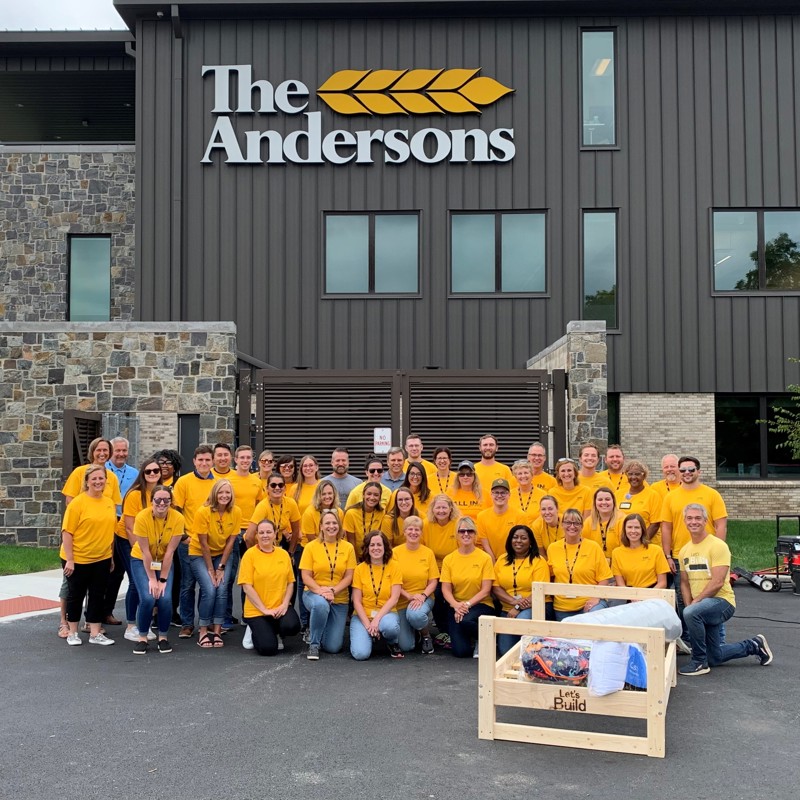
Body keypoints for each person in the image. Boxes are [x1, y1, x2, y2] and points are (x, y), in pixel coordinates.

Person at [678, 504, 772, 676]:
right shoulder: (684, 550)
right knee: (715, 657)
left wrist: (694, 605)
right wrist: (689, 605)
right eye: (689, 518)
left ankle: (699, 661)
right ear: (684, 521)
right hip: (701, 605)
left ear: (705, 521)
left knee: (691, 613)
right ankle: (755, 645)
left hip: (722, 602)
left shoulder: (717, 546)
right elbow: (684, 583)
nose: (693, 521)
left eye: (698, 518)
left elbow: (718, 582)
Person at [58, 436, 122, 636]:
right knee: (71, 588)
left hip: (101, 544)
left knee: (96, 590)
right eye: (98, 450)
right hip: (79, 541)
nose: (102, 453)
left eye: (105, 450)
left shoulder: (111, 476)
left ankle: (91, 623)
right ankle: (65, 623)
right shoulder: (79, 472)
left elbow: (112, 507)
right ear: (92, 452)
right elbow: (70, 502)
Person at [129, 485, 184, 654]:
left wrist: (162, 580)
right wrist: (153, 579)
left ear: (171, 501)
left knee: (165, 598)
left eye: (166, 500)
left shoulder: (178, 518)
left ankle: (163, 637)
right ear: (152, 500)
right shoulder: (142, 517)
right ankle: (142, 637)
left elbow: (170, 552)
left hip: (164, 560)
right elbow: (145, 551)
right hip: (142, 559)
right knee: (148, 597)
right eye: (157, 499)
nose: (162, 503)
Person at [189, 479, 241, 648]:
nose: (224, 496)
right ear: (214, 494)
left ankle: (217, 631)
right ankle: (203, 630)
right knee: (210, 588)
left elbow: (230, 543)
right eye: (220, 492)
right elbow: (203, 544)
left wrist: (221, 568)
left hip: (222, 554)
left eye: (227, 492)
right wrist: (211, 570)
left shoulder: (236, 512)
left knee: (222, 588)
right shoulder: (203, 512)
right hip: (199, 553)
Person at [117, 457, 164, 643]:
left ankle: (143, 622)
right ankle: (130, 626)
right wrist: (143, 552)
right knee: (137, 582)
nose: (152, 474)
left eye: (156, 471)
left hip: (152, 545)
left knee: (150, 583)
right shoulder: (135, 494)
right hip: (129, 541)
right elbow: (129, 527)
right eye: (148, 471)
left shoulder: (163, 493)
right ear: (142, 474)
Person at [299, 509, 356, 660]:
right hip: (314, 594)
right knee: (321, 605)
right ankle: (314, 644)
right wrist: (321, 591)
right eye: (327, 523)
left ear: (339, 525)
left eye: (334, 523)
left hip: (339, 598)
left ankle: (319, 627)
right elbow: (305, 576)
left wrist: (333, 590)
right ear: (321, 526)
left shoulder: (348, 547)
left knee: (333, 647)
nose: (331, 526)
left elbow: (349, 576)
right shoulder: (311, 546)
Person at [239, 518, 301, 656]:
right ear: (256, 535)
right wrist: (264, 609)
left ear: (275, 534)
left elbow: (290, 582)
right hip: (257, 610)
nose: (265, 535)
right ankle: (254, 629)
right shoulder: (249, 555)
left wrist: (285, 605)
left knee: (292, 626)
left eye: (268, 532)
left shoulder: (283, 554)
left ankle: (274, 630)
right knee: (269, 649)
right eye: (261, 532)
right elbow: (247, 587)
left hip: (279, 607)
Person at [172, 445, 216, 638]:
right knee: (188, 584)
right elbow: (176, 511)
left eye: (207, 460)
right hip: (190, 542)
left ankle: (205, 622)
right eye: (201, 460)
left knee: (209, 585)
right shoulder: (184, 482)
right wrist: (183, 537)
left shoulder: (219, 483)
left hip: (212, 543)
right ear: (194, 461)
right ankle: (187, 623)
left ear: (212, 461)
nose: (204, 463)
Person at [440, 517, 495, 658]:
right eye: (462, 531)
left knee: (465, 620)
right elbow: (446, 588)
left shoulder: (484, 558)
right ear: (457, 535)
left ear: (475, 534)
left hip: (480, 604)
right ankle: (472, 636)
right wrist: (456, 605)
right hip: (457, 606)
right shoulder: (449, 559)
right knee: (460, 652)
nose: (466, 534)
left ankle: (483, 638)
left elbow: (486, 590)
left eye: (470, 530)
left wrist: (467, 605)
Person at [225, 445, 266, 632]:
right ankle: (225, 615)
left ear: (252, 460)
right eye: (241, 457)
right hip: (232, 530)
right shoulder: (228, 479)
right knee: (230, 574)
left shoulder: (256, 481)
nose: (245, 461)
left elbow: (260, 506)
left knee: (250, 574)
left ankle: (246, 613)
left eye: (248, 457)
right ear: (236, 459)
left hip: (251, 532)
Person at [546, 507, 613, 621]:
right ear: (562, 525)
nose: (572, 526)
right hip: (562, 607)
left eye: (576, 523)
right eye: (568, 522)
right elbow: (551, 576)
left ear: (582, 526)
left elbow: (604, 578)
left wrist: (595, 597)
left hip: (588, 603)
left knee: (594, 622)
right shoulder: (553, 548)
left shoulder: (593, 547)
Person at [492, 525, 550, 655]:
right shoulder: (502, 560)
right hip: (508, 609)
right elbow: (495, 587)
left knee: (522, 621)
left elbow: (538, 591)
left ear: (530, 542)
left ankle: (531, 659)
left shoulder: (538, 561)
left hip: (534, 607)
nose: (518, 541)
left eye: (523, 538)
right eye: (515, 537)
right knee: (505, 650)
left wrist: (518, 607)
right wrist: (513, 602)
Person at [350, 531, 404, 660]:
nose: (376, 548)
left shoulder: (394, 566)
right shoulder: (359, 569)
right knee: (360, 654)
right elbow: (356, 601)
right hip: (362, 616)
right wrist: (368, 625)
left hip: (386, 614)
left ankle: (391, 642)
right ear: (367, 548)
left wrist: (376, 620)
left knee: (389, 626)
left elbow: (394, 598)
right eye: (372, 545)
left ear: (385, 547)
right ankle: (372, 635)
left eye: (379, 545)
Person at [393, 515, 439, 654]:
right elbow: (393, 581)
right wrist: (408, 596)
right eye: (410, 529)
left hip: (423, 597)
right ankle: (414, 628)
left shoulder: (427, 552)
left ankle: (425, 635)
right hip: (402, 598)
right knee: (406, 646)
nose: (413, 532)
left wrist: (422, 596)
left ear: (421, 532)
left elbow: (433, 581)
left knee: (415, 615)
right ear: (404, 531)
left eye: (417, 530)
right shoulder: (395, 553)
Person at [611, 513, 670, 589]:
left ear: (642, 530)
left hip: (652, 594)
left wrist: (645, 597)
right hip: (629, 595)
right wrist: (633, 597)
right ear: (624, 530)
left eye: (637, 527)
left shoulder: (656, 550)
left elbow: (662, 583)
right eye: (629, 527)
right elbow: (620, 584)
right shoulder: (616, 553)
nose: (633, 531)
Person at [245, 473, 301, 552]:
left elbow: (296, 531)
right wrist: (256, 554)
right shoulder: (262, 506)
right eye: (273, 485)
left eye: (280, 485)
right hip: (258, 545)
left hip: (277, 545)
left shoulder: (291, 503)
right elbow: (248, 537)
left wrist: (290, 552)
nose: (277, 488)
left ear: (285, 488)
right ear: (267, 488)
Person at [477, 479, 522, 563]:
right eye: (496, 492)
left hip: (513, 560)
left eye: (503, 493)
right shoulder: (482, 516)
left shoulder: (520, 515)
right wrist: (493, 561)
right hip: (490, 560)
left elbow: (519, 543)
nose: (499, 495)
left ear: (509, 495)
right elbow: (485, 543)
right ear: (491, 494)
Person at [617, 460, 662, 543]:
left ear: (644, 475)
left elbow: (655, 524)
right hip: (624, 543)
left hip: (646, 543)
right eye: (630, 474)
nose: (633, 477)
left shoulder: (653, 495)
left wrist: (640, 542)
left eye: (637, 474)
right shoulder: (618, 494)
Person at [582, 487, 623, 561]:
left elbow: (625, 548)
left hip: (617, 563)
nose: (604, 502)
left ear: (613, 501)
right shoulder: (589, 521)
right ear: (595, 502)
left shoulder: (622, 520)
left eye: (607, 499)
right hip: (595, 562)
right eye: (600, 500)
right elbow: (583, 546)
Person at [344, 481, 386, 553]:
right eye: (369, 494)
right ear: (363, 495)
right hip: (355, 555)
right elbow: (351, 541)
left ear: (380, 497)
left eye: (376, 495)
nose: (372, 497)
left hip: (374, 554)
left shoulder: (382, 513)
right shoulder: (351, 513)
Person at [509, 460, 544, 527]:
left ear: (532, 475)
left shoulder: (542, 495)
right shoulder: (509, 495)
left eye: (526, 473)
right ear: (516, 477)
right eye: (520, 474)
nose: (523, 476)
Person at [107, 436, 139, 509]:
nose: (121, 454)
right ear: (111, 451)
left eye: (124, 450)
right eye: (117, 450)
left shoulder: (135, 473)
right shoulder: (102, 470)